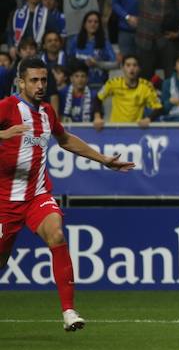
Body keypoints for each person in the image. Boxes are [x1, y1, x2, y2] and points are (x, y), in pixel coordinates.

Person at [0, 57, 134, 331]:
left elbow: (65, 139)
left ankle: (69, 311)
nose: (40, 85)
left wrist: (103, 159)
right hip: (5, 202)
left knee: (57, 234)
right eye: (34, 80)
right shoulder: (7, 107)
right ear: (20, 82)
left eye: (44, 80)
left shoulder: (47, 112)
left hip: (37, 195)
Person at [94, 55, 163, 130]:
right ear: (122, 68)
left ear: (139, 68)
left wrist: (148, 119)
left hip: (135, 130)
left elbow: (158, 108)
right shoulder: (113, 83)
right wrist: (97, 117)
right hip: (115, 129)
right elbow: (97, 99)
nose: (131, 68)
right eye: (128, 65)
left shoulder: (146, 87)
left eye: (135, 65)